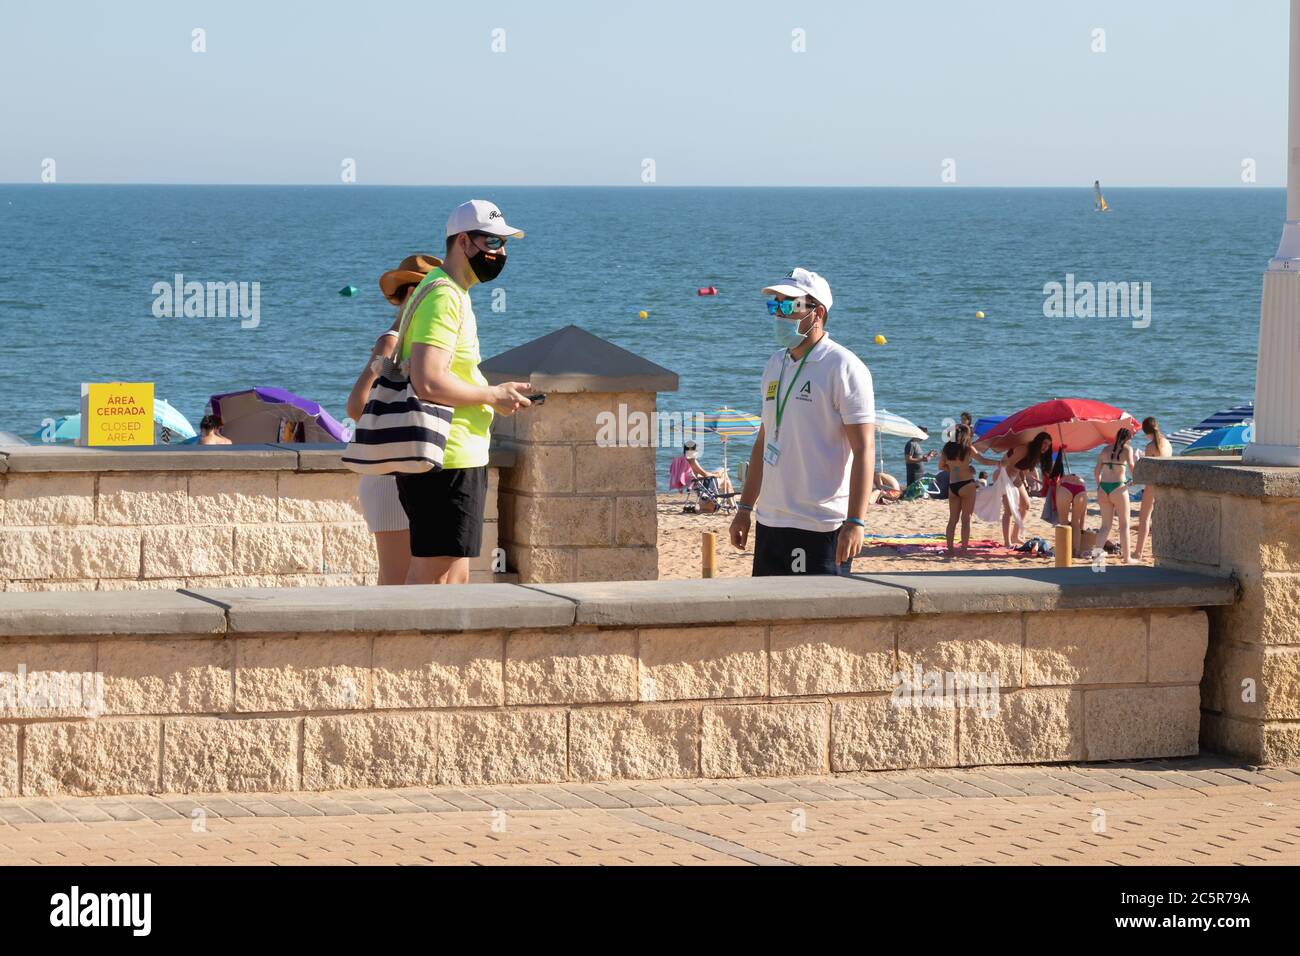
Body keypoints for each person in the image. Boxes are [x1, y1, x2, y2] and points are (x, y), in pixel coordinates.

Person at [396, 200, 534, 585]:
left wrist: (494, 395)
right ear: (462, 242)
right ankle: (416, 647)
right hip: (447, 457)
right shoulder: (444, 296)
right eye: (492, 243)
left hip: (451, 456)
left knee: (450, 577)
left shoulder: (448, 291)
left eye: (504, 244)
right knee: (439, 580)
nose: (500, 253)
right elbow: (428, 381)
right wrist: (493, 395)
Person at [729, 267, 875, 575]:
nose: (778, 315)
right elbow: (763, 441)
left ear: (817, 312)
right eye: (774, 305)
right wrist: (744, 509)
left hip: (820, 526)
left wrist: (856, 522)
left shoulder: (843, 367)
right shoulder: (774, 363)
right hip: (770, 522)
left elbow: (864, 450)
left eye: (788, 306)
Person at [345, 253, 441, 585]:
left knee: (407, 578)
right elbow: (356, 405)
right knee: (396, 580)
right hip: (390, 474)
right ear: (415, 294)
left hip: (406, 472)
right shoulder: (393, 340)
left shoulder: (426, 342)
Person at [1095, 427, 1139, 565]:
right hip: (1118, 488)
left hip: (1103, 489)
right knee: (1124, 525)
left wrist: (1099, 486)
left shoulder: (1104, 450)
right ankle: (1127, 558)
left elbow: (1096, 472)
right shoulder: (1127, 449)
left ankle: (1096, 558)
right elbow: (1132, 467)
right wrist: (1135, 481)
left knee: (1105, 526)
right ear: (1127, 439)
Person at [1132, 416, 1173, 559]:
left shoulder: (1150, 447)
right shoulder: (1168, 444)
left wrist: (1137, 462)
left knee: (1144, 519)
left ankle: (1138, 552)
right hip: (1166, 485)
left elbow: (1148, 471)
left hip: (1152, 486)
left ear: (1145, 431)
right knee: (1163, 519)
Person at [938, 423, 980, 559]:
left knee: (952, 520)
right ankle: (964, 550)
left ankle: (950, 550)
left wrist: (954, 469)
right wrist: (998, 463)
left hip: (953, 486)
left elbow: (941, 466)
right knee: (966, 520)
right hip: (967, 485)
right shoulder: (968, 448)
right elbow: (983, 460)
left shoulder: (947, 448)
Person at [1048, 450, 1089, 558]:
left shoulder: (1061, 480)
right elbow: (1084, 512)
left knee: (1063, 523)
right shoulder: (1079, 479)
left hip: (1065, 488)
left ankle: (1064, 549)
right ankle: (1076, 551)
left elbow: (1056, 503)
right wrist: (1082, 527)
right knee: (1076, 524)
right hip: (1081, 487)